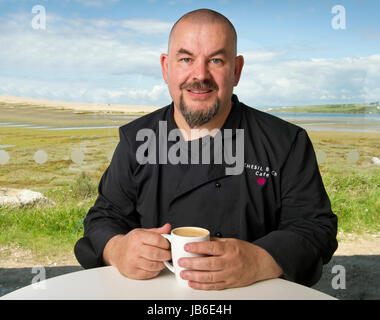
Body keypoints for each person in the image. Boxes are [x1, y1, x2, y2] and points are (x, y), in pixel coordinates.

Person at [74, 8, 338, 290]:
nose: (200, 74)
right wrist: (118, 248)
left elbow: (315, 228)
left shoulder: (286, 142)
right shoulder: (136, 139)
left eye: (216, 60)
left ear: (236, 70)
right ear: (166, 67)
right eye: (186, 59)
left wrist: (260, 259)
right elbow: (103, 218)